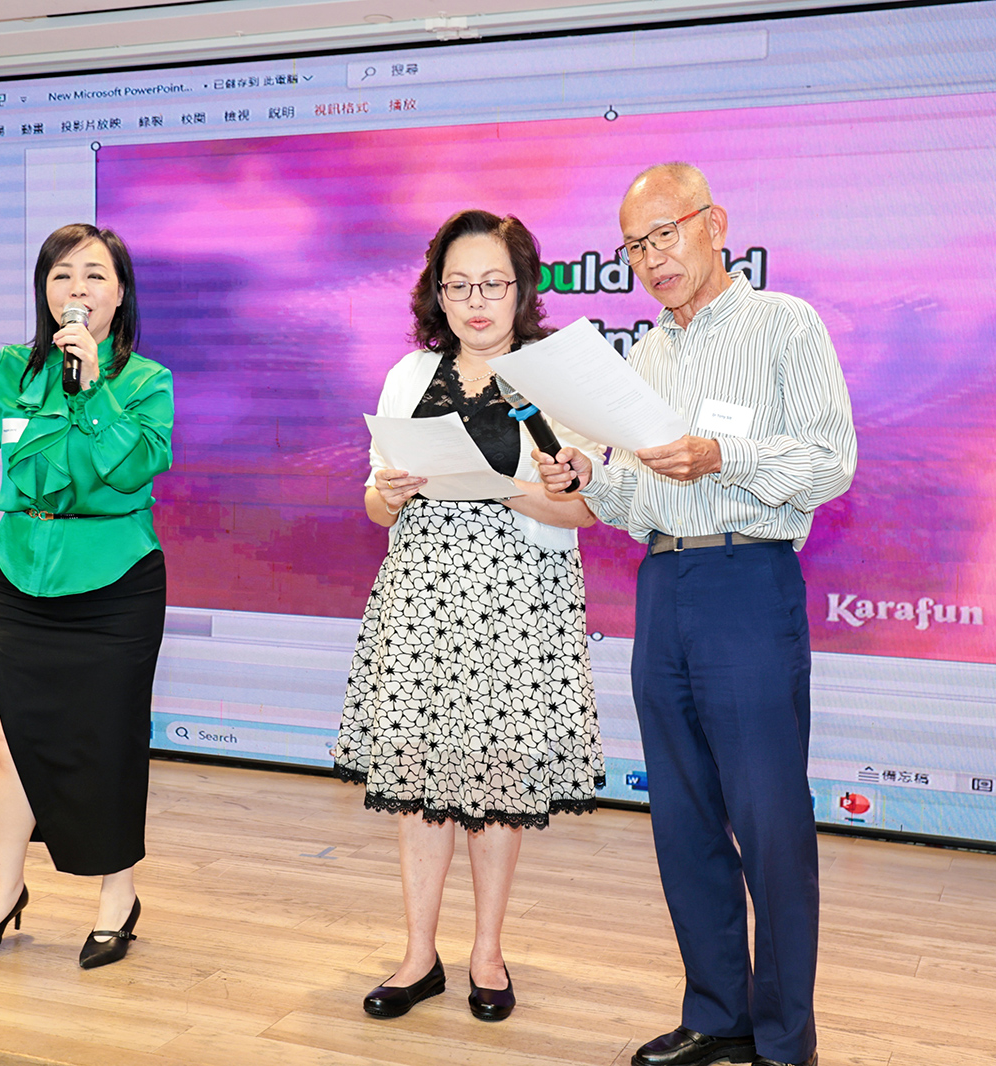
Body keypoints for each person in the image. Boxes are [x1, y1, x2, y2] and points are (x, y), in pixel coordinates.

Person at [537, 164, 856, 1066]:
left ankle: (785, 1041)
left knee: (769, 821)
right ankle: (717, 1014)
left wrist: (726, 456)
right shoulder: (645, 356)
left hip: (747, 581)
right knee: (681, 817)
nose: (651, 260)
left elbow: (833, 461)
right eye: (634, 247)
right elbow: (638, 497)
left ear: (714, 223)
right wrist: (590, 478)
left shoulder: (784, 324)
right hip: (663, 583)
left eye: (664, 235)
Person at [332, 209, 606, 1023]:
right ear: (437, 294)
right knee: (418, 775)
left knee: (495, 778)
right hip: (423, 596)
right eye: (458, 286)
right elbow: (376, 502)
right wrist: (387, 492)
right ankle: (419, 956)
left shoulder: (558, 382)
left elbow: (587, 510)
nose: (475, 302)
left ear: (523, 289)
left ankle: (488, 952)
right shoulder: (409, 374)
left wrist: (508, 489)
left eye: (492, 284)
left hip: (517, 600)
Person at [0, 223, 175, 970]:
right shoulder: (11, 371)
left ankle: (118, 898)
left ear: (119, 295)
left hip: (115, 583)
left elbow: (134, 466)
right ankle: (4, 890)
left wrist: (92, 388)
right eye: (62, 275)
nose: (76, 289)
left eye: (94, 276)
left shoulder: (145, 381)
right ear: (44, 291)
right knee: (7, 743)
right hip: (22, 578)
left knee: (108, 745)